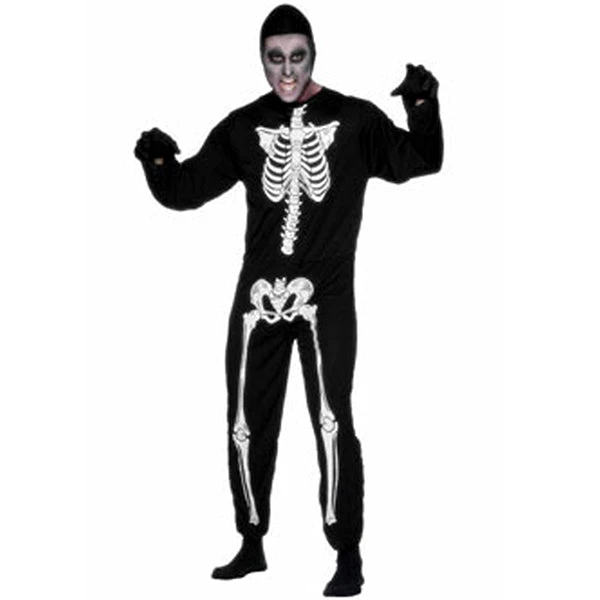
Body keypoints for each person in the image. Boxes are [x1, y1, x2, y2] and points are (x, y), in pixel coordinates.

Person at [134, 4, 443, 596]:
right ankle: (251, 541)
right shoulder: (243, 126)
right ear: (262, 59)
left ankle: (347, 553)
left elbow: (421, 159)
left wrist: (422, 105)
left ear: (313, 55)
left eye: (297, 56)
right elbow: (186, 190)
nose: (287, 70)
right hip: (257, 293)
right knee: (245, 420)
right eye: (275, 58)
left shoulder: (353, 119)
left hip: (326, 291)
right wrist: (157, 161)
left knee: (332, 419)